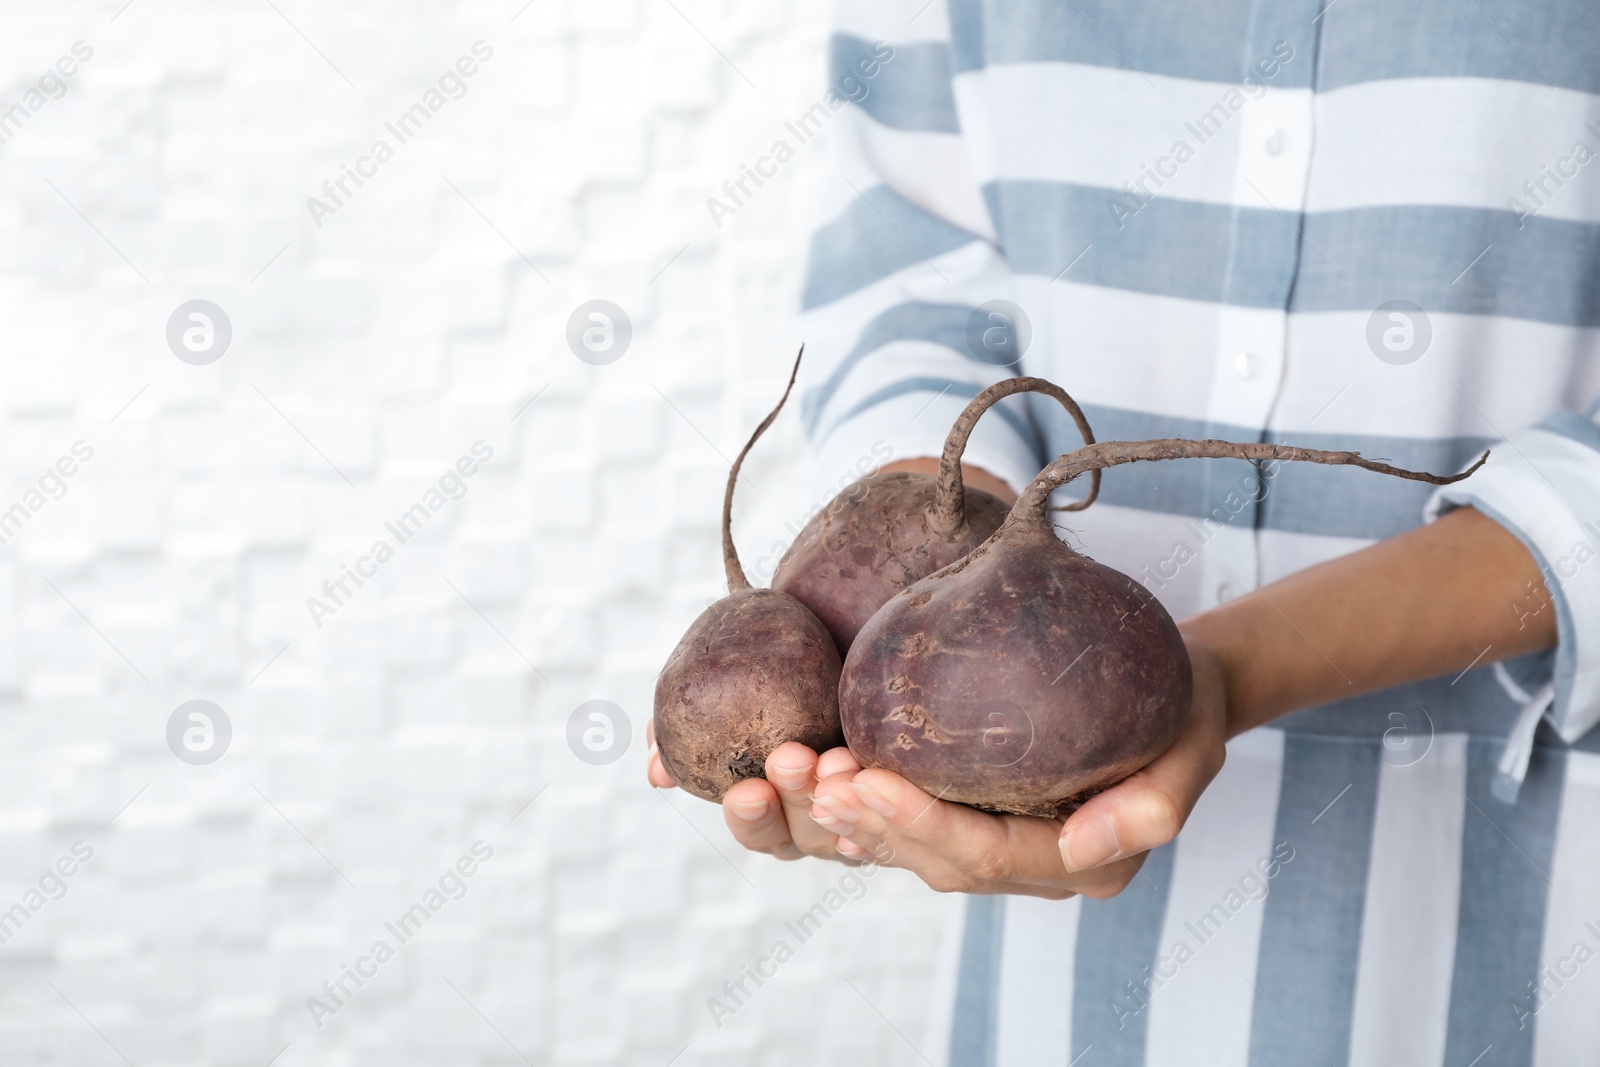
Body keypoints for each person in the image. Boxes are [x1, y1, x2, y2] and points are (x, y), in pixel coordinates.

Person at [652, 1, 1600, 1062]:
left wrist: (1230, 668)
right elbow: (910, 270)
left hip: (1529, 899)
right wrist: (891, 572)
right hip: (1074, 986)